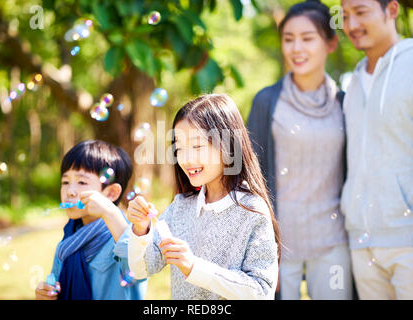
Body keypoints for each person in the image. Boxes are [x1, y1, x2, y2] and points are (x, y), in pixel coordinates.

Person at [247, 0, 353, 300]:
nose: (297, 48)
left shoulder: (346, 103)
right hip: (281, 245)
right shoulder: (266, 102)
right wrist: (264, 248)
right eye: (288, 39)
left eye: (307, 38)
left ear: (330, 42)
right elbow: (252, 178)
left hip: (334, 243)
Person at [127, 94, 280, 299]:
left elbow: (262, 291)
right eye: (179, 148)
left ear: (228, 145)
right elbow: (141, 269)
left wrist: (194, 267)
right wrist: (140, 229)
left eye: (197, 146)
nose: (186, 159)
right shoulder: (180, 207)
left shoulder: (252, 211)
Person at [340, 0, 413, 299]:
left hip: (407, 239)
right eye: (344, 16)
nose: (352, 25)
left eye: (361, 12)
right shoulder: (351, 83)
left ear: (391, 10)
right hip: (361, 241)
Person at [35, 140, 147, 300]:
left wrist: (110, 211)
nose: (70, 191)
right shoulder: (68, 242)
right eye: (65, 182)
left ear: (111, 193)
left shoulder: (125, 237)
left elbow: (139, 266)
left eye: (81, 182)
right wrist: (45, 294)